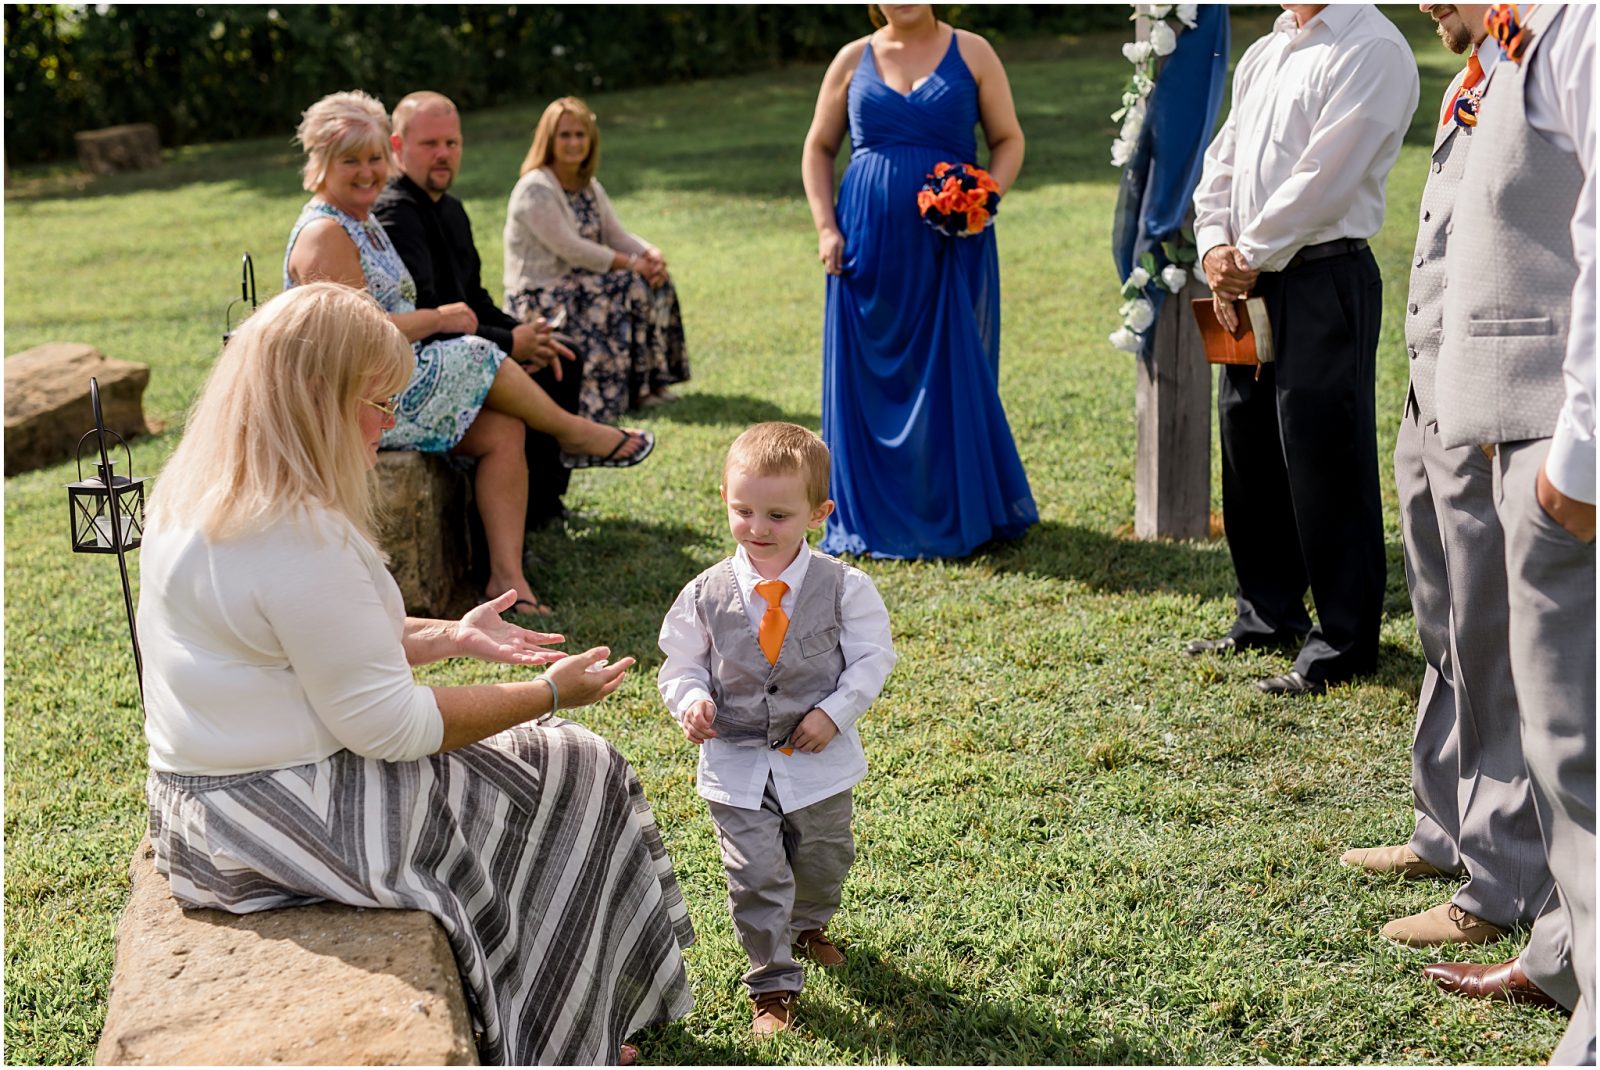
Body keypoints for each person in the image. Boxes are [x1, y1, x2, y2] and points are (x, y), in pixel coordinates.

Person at [138, 282, 694, 1066]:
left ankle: (573, 1022)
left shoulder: (199, 494)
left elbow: (310, 642)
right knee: (571, 766)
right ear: (317, 399)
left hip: (204, 810)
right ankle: (562, 1041)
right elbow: (392, 729)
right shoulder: (293, 535)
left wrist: (453, 636)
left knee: (540, 771)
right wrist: (547, 694)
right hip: (277, 812)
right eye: (379, 400)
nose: (391, 422)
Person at [1339, 2, 1552, 951]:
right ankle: (1444, 825)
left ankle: (1500, 880)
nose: (1425, 3)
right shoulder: (1471, 75)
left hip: (1499, 398)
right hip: (1431, 385)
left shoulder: (1542, 62)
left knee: (1491, 627)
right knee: (1440, 617)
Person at [284, 91, 654, 617]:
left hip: (387, 383)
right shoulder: (326, 232)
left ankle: (507, 579)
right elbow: (356, 337)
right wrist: (438, 319)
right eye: (351, 160)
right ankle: (575, 431)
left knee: (505, 431)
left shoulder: (360, 220)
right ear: (320, 163)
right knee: (477, 352)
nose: (367, 172)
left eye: (372, 159)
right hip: (355, 397)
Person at [1431, 3, 1594, 1061]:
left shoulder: (1580, 21)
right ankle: (1563, 953)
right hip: (1525, 432)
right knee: (1553, 737)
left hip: (1567, 449)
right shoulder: (1516, 36)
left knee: (1582, 746)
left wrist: (1576, 456)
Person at [1186, 4, 1419, 695]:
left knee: (1326, 455)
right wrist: (1213, 248)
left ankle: (1344, 641)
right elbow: (1221, 161)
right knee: (1248, 446)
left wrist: (1245, 255)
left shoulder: (1371, 45)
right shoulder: (1267, 50)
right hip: (1247, 276)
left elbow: (1326, 177)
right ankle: (1267, 615)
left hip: (1322, 273)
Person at [656, 423, 897, 1036]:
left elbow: (873, 659)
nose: (758, 528)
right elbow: (679, 663)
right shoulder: (703, 594)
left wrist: (832, 713)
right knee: (756, 875)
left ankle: (809, 922)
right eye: (743, 510)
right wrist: (689, 699)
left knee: (823, 857)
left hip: (817, 762)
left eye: (778, 515)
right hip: (735, 767)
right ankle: (773, 983)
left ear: (819, 513)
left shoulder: (846, 589)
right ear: (724, 498)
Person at [801, 3, 1037, 560]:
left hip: (950, 244)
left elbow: (1008, 140)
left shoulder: (973, 51)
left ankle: (952, 511)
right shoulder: (850, 58)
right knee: (870, 380)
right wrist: (825, 228)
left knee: (949, 369)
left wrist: (985, 197)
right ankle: (875, 515)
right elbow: (818, 148)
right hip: (865, 245)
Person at [374, 90, 581, 530]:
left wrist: (525, 333)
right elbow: (430, 314)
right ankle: (527, 516)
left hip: (467, 335)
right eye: (430, 144)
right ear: (397, 146)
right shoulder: (395, 213)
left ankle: (545, 507)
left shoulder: (451, 210)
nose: (444, 155)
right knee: (537, 371)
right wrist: (510, 342)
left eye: (452, 143)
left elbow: (475, 298)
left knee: (562, 355)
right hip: (426, 355)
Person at [503, 96, 690, 427]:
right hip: (542, 295)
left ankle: (649, 383)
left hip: (583, 281)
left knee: (655, 279)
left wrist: (650, 254)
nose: (574, 143)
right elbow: (572, 249)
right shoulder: (535, 189)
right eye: (565, 135)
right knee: (627, 283)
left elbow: (615, 234)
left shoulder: (587, 185)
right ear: (548, 140)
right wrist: (632, 265)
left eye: (580, 134)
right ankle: (619, 393)